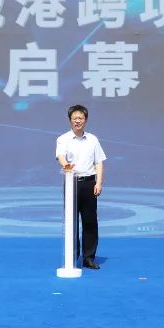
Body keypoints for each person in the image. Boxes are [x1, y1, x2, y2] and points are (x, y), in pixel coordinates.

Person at [56, 105, 106, 269]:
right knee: (71, 221)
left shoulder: (93, 139)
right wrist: (66, 165)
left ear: (86, 120)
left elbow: (99, 162)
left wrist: (98, 183)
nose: (78, 121)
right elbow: (60, 156)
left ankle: (89, 257)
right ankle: (72, 256)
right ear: (70, 120)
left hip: (89, 183)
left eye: (81, 118)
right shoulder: (63, 139)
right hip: (72, 181)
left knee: (90, 221)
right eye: (75, 118)